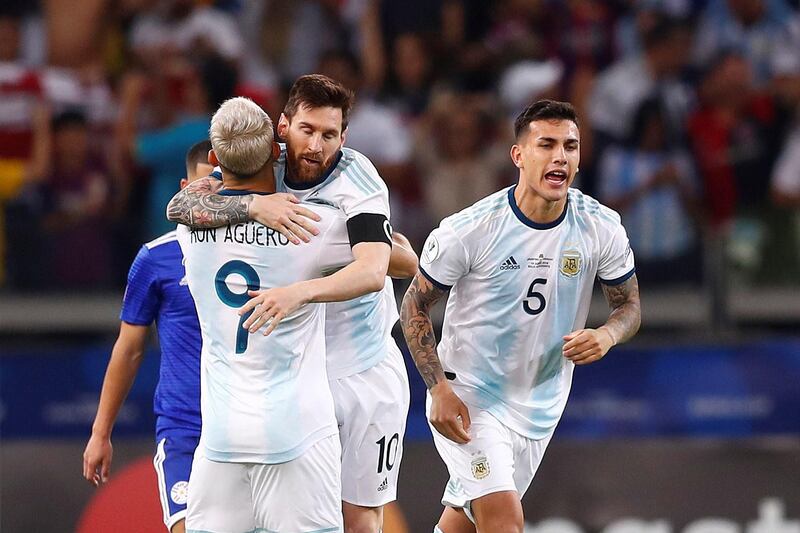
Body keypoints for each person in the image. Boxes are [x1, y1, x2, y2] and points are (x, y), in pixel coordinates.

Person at [166, 74, 414, 533]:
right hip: (300, 379)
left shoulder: (358, 180)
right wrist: (253, 208)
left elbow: (383, 268)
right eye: (307, 130)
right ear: (282, 127)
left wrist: (299, 290)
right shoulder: (264, 163)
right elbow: (182, 204)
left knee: (361, 519)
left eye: (329, 134)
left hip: (361, 366)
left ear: (344, 136)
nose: (317, 145)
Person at [400, 100, 641, 533]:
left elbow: (629, 307)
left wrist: (607, 334)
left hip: (541, 403)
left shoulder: (600, 227)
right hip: (470, 397)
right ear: (518, 155)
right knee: (504, 523)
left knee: (464, 525)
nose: (559, 157)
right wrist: (437, 388)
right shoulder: (470, 230)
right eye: (546, 144)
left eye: (570, 146)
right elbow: (414, 304)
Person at [177, 96, 356, 532]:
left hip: (221, 439)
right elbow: (398, 259)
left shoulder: (188, 227)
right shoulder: (314, 226)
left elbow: (185, 202)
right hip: (295, 435)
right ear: (277, 149)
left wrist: (247, 206)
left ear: (216, 159)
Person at [82, 140, 214, 533]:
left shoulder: (265, 255)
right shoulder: (156, 258)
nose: (214, 199)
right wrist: (100, 433)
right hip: (185, 428)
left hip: (249, 425)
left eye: (223, 187)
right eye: (204, 186)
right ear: (183, 188)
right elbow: (128, 350)